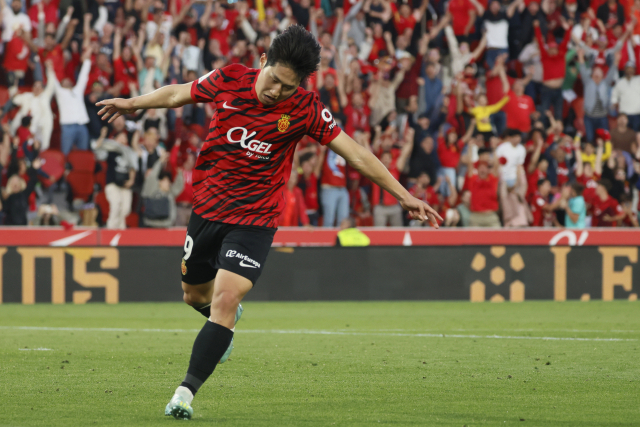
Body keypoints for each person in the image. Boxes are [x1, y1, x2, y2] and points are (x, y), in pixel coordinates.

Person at [96, 25, 442, 421]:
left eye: (287, 88)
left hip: (255, 219)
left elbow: (356, 154)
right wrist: (134, 104)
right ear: (263, 61)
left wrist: (405, 197)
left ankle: (184, 393)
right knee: (194, 296)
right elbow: (179, 93)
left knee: (226, 300)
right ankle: (222, 323)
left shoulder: (306, 108)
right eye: (274, 80)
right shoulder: (229, 78)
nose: (276, 92)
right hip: (207, 210)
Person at [611, 62, 640, 132]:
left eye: (632, 69)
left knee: (636, 135)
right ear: (625, 70)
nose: (630, 70)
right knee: (624, 134)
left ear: (634, 70)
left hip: (637, 114)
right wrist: (615, 103)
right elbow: (614, 95)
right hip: (624, 115)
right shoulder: (620, 82)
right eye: (628, 69)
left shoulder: (638, 80)